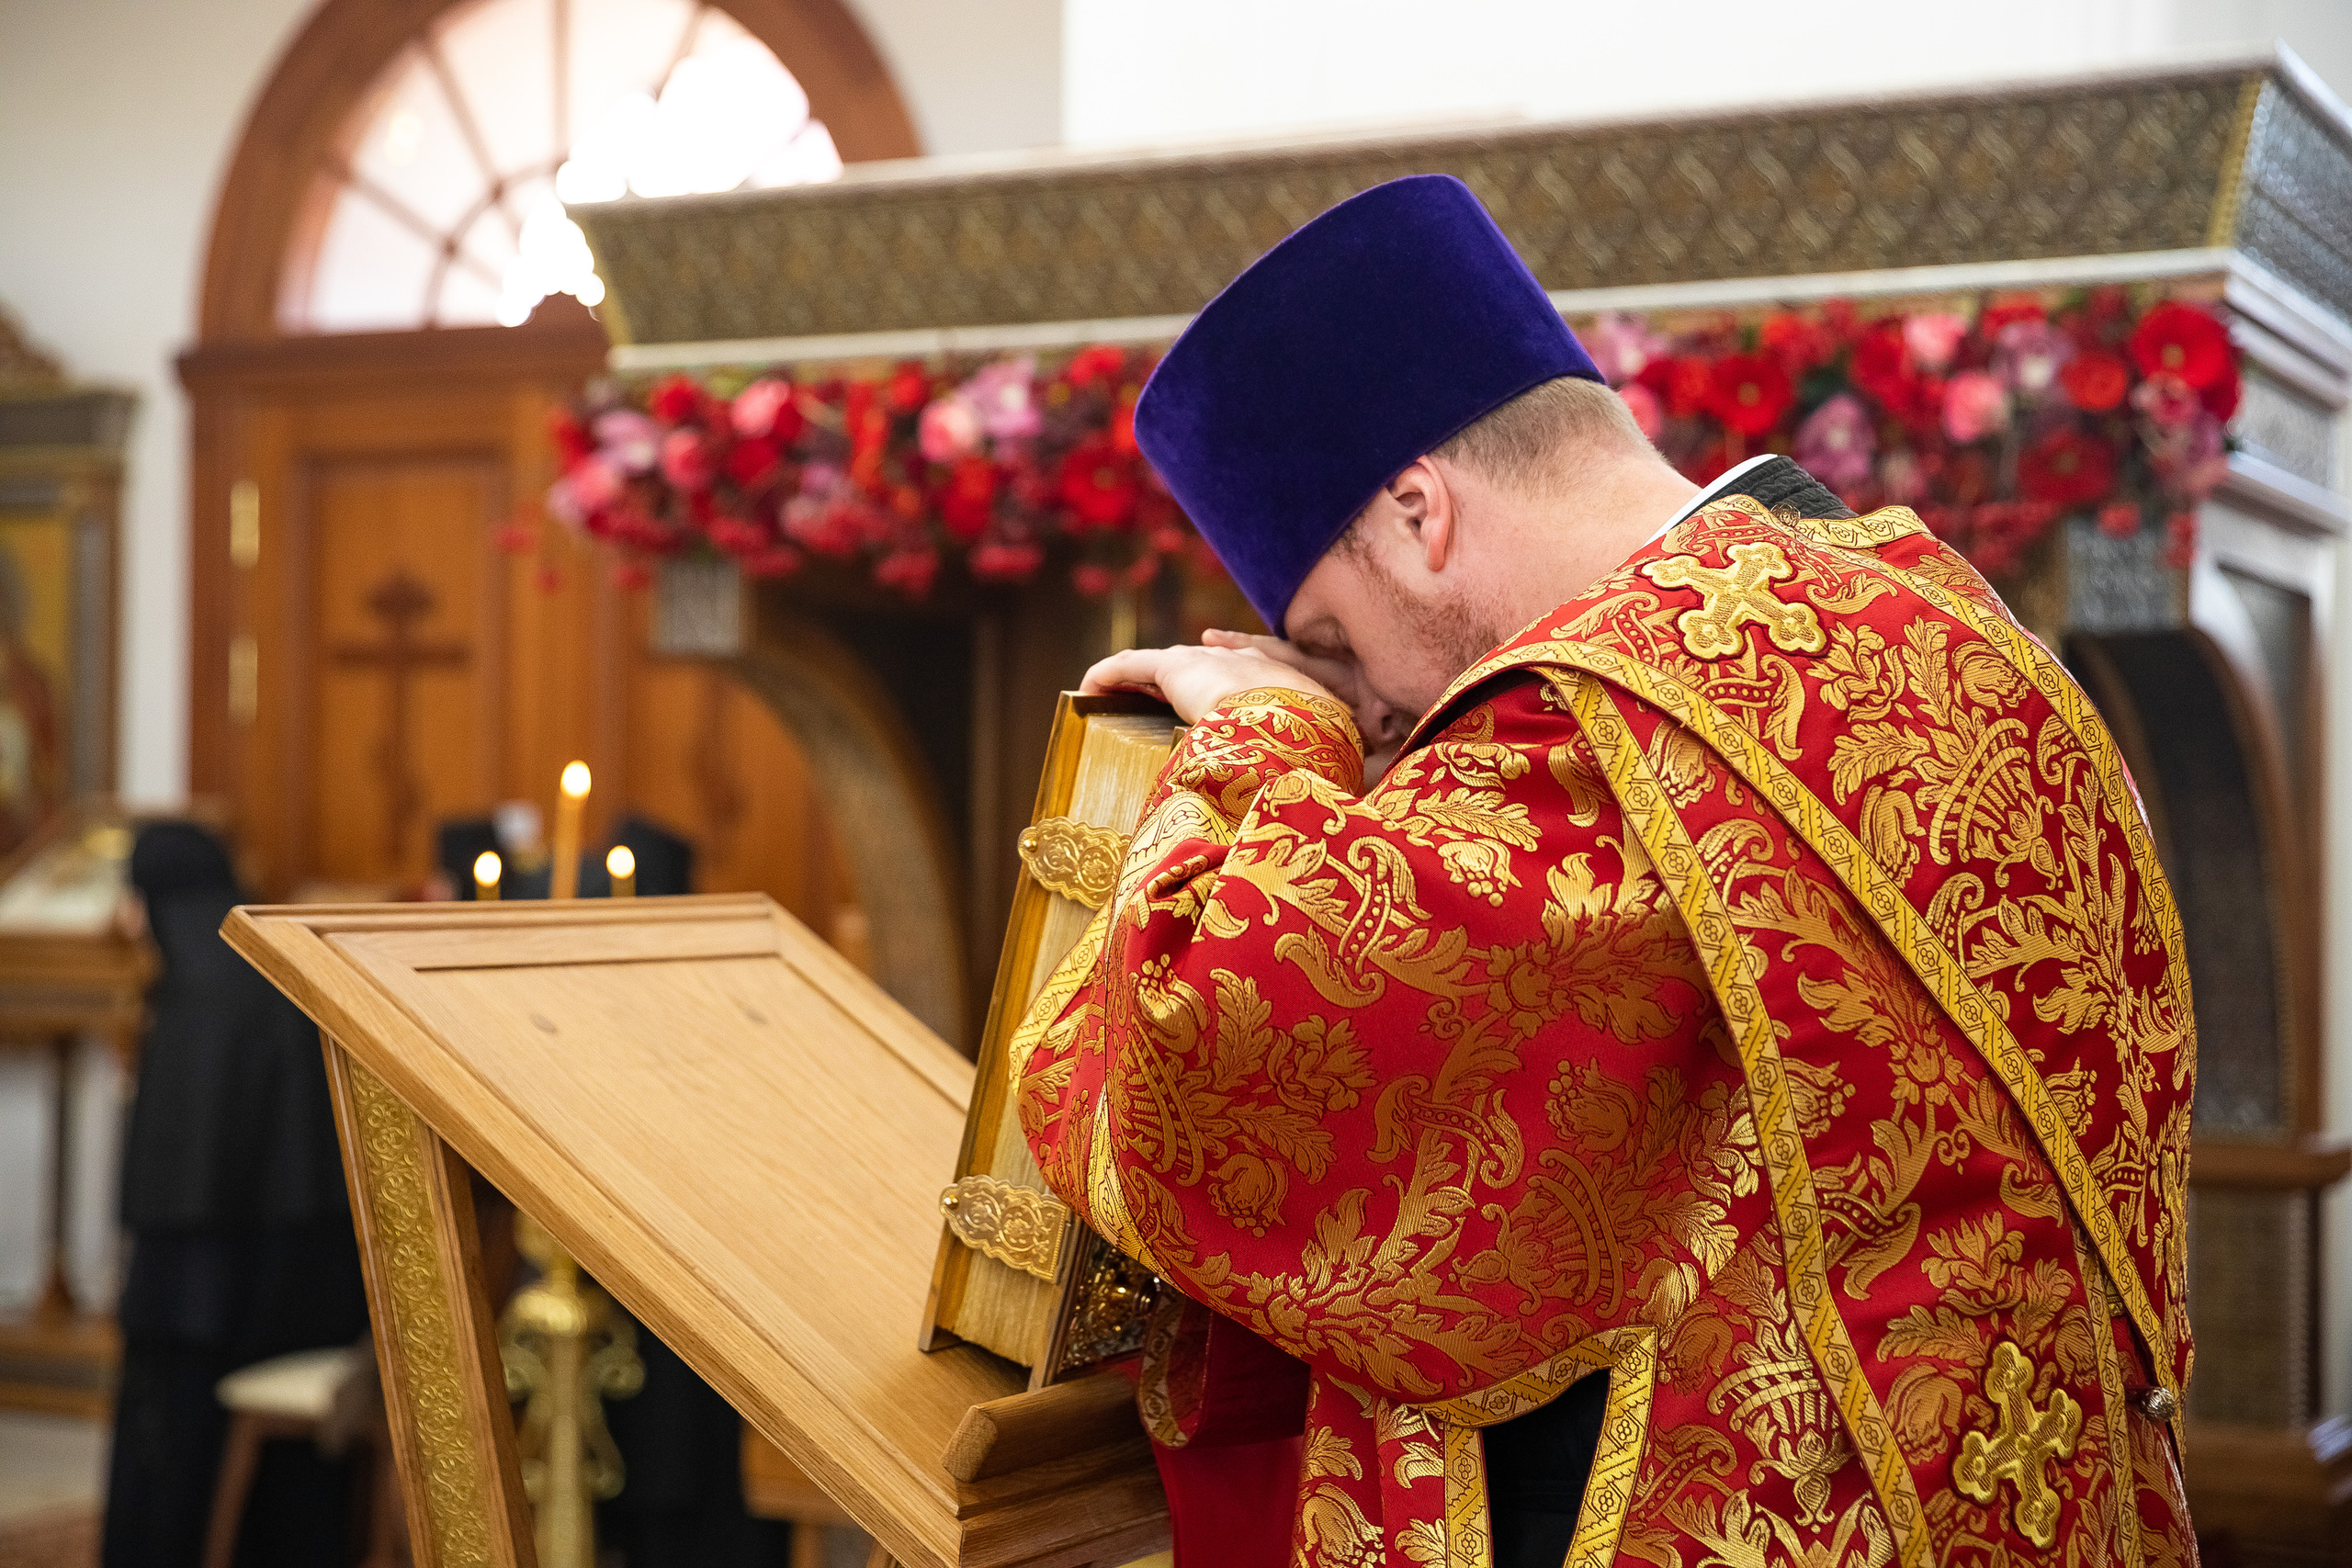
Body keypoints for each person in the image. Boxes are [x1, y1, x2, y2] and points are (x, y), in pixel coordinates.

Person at [1018, 175, 2196, 1568]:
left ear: (1416, 512)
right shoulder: (1963, 627)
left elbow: (1194, 1056)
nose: (1379, 711)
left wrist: (1271, 725)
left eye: (1333, 637)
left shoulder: (1588, 729)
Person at [103, 821, 368, 1568]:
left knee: (172, 1430)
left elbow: (177, 1201)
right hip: (311, 1288)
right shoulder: (277, 973)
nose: (128, 920)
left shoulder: (197, 1004)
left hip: (207, 1299)